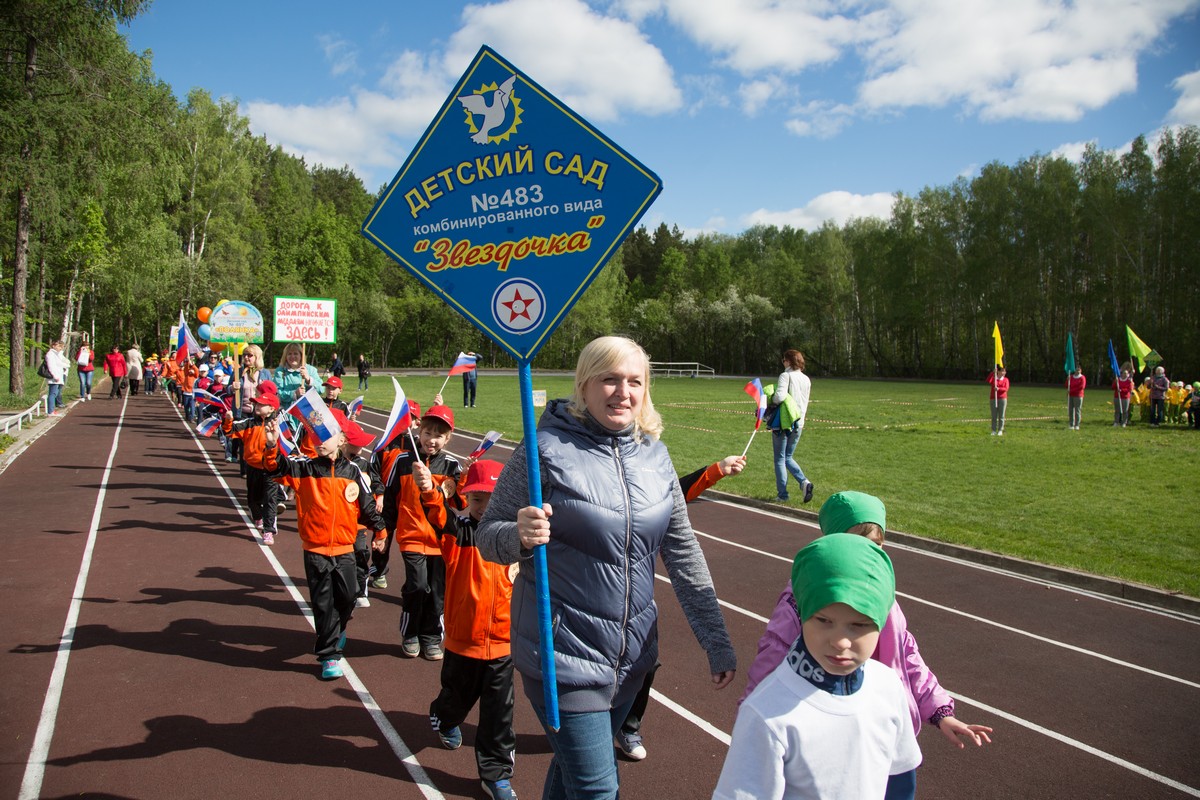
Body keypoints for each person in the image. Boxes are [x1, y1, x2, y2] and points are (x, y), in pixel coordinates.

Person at [475, 335, 737, 800]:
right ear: (584, 384)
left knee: (572, 778)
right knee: (598, 788)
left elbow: (682, 551)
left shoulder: (655, 454)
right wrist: (518, 535)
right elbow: (487, 536)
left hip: (632, 657)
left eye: (635, 381)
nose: (623, 392)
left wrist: (715, 639)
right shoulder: (543, 450)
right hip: (562, 657)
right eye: (610, 379)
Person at [740, 491, 994, 764]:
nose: (866, 551)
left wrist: (941, 711)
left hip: (883, 731)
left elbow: (905, 653)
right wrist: (752, 719)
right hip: (827, 735)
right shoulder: (804, 597)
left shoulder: (882, 596)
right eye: (855, 542)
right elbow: (773, 655)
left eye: (876, 544)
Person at [714, 534, 922, 799]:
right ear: (802, 615)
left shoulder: (888, 687)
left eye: (859, 625)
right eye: (824, 621)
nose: (840, 641)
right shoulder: (766, 713)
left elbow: (900, 781)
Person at [616, 454, 747, 763]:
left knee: (645, 665)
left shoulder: (647, 468)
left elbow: (675, 493)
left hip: (635, 605)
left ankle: (627, 725)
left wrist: (716, 471)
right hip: (581, 610)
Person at [262, 407, 389, 681]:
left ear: (342, 438)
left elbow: (367, 506)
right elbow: (274, 468)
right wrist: (272, 446)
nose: (319, 440)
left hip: (345, 549)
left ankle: (337, 630)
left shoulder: (353, 471)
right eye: (315, 434)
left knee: (349, 596)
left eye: (326, 434)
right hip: (316, 551)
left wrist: (380, 532)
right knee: (323, 604)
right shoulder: (304, 468)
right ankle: (329, 655)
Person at [419, 459, 518, 800]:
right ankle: (444, 717)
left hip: (503, 644)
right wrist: (429, 491)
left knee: (499, 714)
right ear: (467, 498)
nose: (485, 506)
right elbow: (438, 515)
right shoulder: (458, 532)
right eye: (477, 499)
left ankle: (496, 774)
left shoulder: (515, 537)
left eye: (493, 498)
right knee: (456, 700)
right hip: (463, 642)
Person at [380, 404, 465, 660]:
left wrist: (464, 479)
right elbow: (391, 500)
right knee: (417, 586)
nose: (432, 440)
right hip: (412, 537)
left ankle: (431, 636)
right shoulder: (403, 462)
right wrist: (383, 532)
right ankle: (410, 633)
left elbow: (459, 503)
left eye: (439, 435)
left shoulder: (451, 465)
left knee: (437, 591)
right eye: (428, 433)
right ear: (419, 432)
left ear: (448, 439)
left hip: (441, 541)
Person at [223, 382, 282, 544]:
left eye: (261, 404)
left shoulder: (278, 425)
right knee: (253, 499)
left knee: (270, 500)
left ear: (271, 408)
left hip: (271, 469)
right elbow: (229, 431)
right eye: (256, 403)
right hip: (253, 468)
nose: (256, 406)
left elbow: (287, 445)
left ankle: (269, 530)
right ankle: (257, 517)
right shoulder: (248, 423)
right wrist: (228, 420)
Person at [769, 349, 813, 503]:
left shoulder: (785, 375)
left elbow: (779, 396)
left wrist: (771, 399)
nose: (783, 363)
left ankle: (782, 495)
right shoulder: (806, 379)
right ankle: (804, 482)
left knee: (780, 459)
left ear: (788, 361)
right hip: (799, 422)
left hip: (784, 422)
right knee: (788, 457)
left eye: (784, 360)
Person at [42, 341, 68, 415]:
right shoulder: (50, 354)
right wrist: (55, 376)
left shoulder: (55, 354)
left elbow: (59, 363)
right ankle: (51, 411)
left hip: (57, 376)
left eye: (61, 347)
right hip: (54, 377)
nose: (61, 348)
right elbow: (51, 366)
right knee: (53, 393)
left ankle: (52, 410)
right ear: (53, 346)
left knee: (55, 393)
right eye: (59, 346)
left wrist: (66, 365)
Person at [987, 365, 1008, 436]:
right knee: (994, 416)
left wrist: (999, 389)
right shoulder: (994, 378)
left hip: (1002, 399)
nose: (1004, 372)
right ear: (998, 371)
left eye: (1004, 371)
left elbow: (1006, 388)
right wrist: (993, 373)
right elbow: (988, 380)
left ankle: (1000, 430)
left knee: (1001, 415)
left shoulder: (1006, 380)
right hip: (993, 399)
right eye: (1002, 371)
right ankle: (993, 430)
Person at [1067, 366, 1086, 430]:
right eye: (1076, 370)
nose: (1077, 371)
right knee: (1071, 410)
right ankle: (1071, 424)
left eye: (1079, 370)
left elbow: (1082, 387)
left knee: (1077, 410)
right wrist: (1068, 380)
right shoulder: (1071, 377)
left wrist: (1072, 391)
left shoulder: (1082, 377)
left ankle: (1077, 424)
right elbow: (1067, 385)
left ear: (1081, 371)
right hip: (1071, 395)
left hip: (1078, 396)